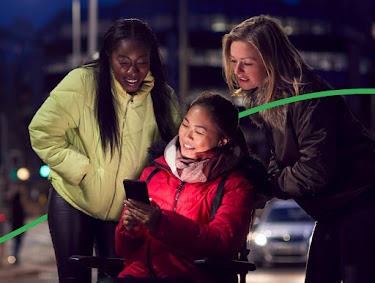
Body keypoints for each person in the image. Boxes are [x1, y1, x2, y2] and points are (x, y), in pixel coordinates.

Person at [222, 14, 375, 283]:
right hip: (333, 210)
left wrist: (270, 187)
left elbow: (314, 170)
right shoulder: (270, 101)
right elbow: (278, 161)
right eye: (233, 62)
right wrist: (259, 187)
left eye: (247, 63)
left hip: (361, 202)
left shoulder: (308, 98)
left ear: (271, 62)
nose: (237, 71)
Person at [28, 18, 182, 283]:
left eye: (141, 62)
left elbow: (177, 152)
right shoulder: (82, 83)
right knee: (74, 278)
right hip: (74, 200)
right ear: (109, 56)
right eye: (124, 61)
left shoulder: (163, 98)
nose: (133, 71)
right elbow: (42, 131)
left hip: (126, 214)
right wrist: (83, 171)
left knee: (119, 279)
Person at [115, 92, 268, 283]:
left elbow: (223, 242)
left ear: (223, 140)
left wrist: (161, 223)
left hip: (192, 276)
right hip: (137, 275)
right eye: (185, 124)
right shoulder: (153, 174)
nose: (187, 136)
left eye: (199, 131)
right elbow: (124, 250)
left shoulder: (234, 185)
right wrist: (130, 229)